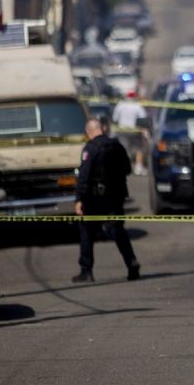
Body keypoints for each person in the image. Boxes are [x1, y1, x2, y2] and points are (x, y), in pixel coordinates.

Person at [73, 117, 141, 283]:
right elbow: (127, 169)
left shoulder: (90, 148)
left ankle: (86, 271)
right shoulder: (116, 145)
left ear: (88, 132)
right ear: (102, 129)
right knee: (117, 230)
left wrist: (79, 199)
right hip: (116, 196)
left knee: (87, 232)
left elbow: (84, 176)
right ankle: (131, 262)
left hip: (94, 199)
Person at [113, 90, 149, 175]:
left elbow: (115, 118)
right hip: (134, 130)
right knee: (139, 149)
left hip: (122, 129)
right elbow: (143, 119)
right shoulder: (137, 105)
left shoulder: (120, 105)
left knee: (123, 149)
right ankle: (138, 167)